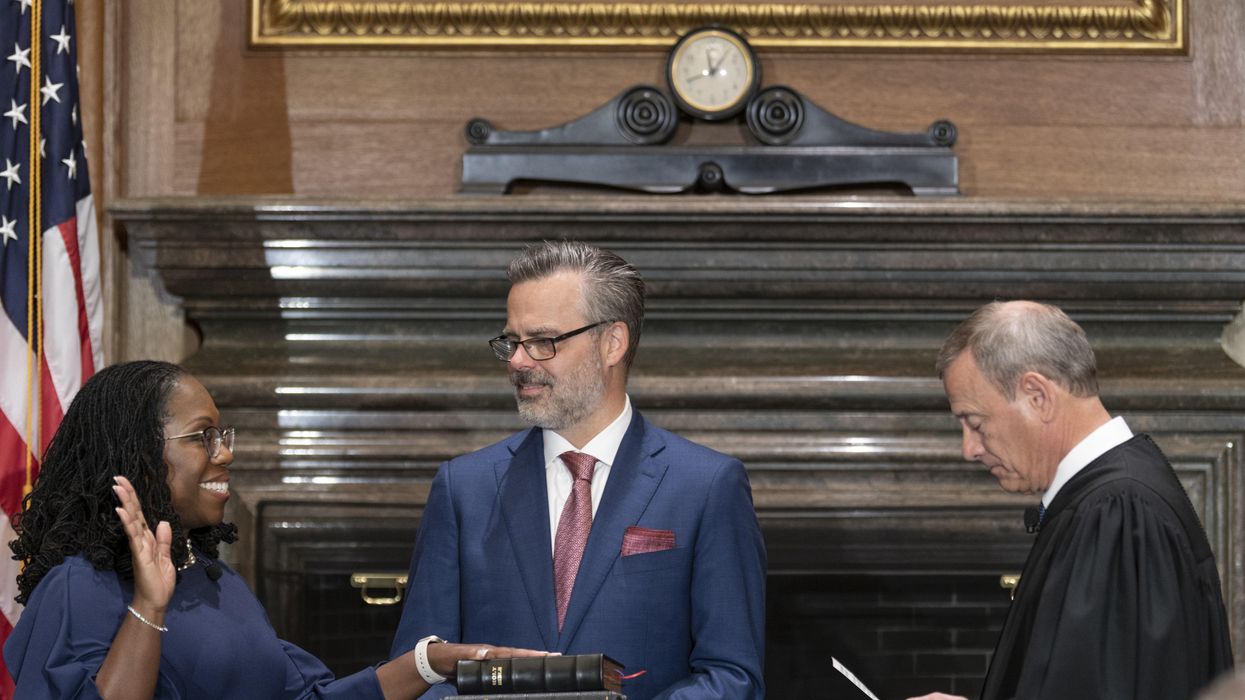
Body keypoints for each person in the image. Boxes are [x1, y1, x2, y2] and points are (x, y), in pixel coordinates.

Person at [4, 360, 545, 699]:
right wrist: (149, 606)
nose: (225, 453)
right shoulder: (79, 587)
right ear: (139, 455)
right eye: (203, 436)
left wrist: (430, 663)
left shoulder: (219, 584)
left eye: (224, 435)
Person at [390, 240, 767, 699]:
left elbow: (732, 675)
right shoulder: (463, 488)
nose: (518, 361)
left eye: (542, 341)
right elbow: (417, 674)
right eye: (512, 341)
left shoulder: (707, 486)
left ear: (612, 343)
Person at [908, 301, 1234, 700]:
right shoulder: (1113, 499)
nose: (969, 449)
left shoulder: (1116, 513)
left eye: (975, 423)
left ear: (1037, 396)